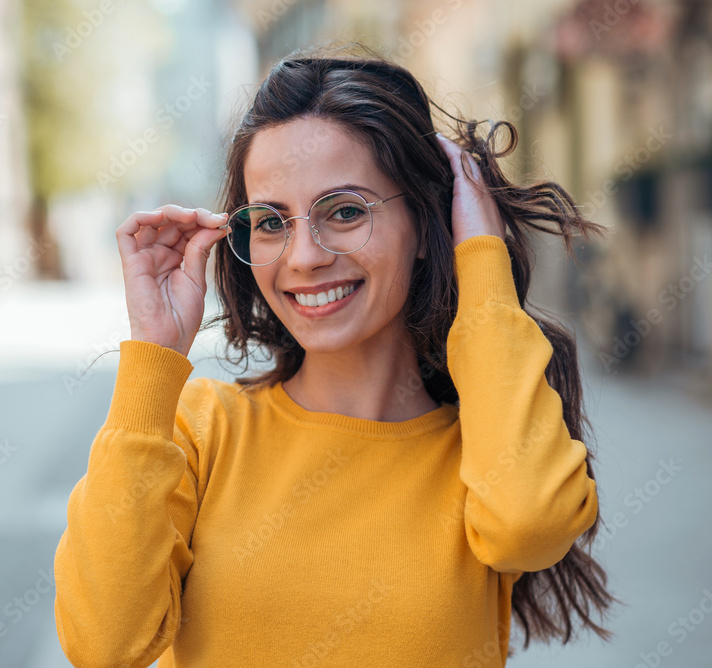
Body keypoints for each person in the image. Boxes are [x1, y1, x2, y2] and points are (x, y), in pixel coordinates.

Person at [53, 43, 617, 667]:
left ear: (428, 225)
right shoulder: (200, 430)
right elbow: (103, 645)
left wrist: (480, 261)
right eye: (271, 221)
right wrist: (152, 360)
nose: (303, 257)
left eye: (345, 211)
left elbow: (529, 526)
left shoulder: (485, 451)